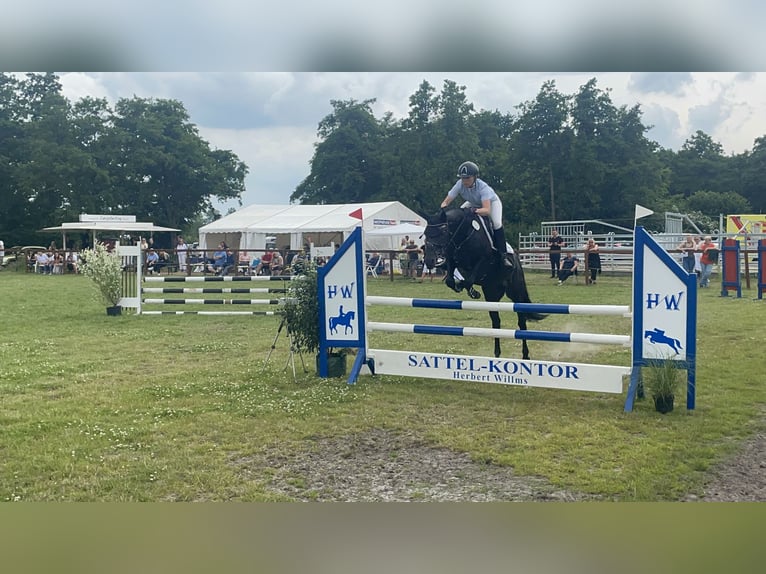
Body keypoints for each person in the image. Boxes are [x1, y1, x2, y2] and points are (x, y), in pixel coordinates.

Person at [440, 160, 513, 267]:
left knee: (497, 223)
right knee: (459, 218)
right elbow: (446, 201)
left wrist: (474, 211)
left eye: (467, 178)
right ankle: (451, 252)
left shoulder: (483, 188)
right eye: (462, 178)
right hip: (473, 202)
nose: (465, 181)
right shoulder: (459, 184)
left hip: (491, 204)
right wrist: (443, 208)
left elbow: (486, 210)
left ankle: (503, 255)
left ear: (475, 177)